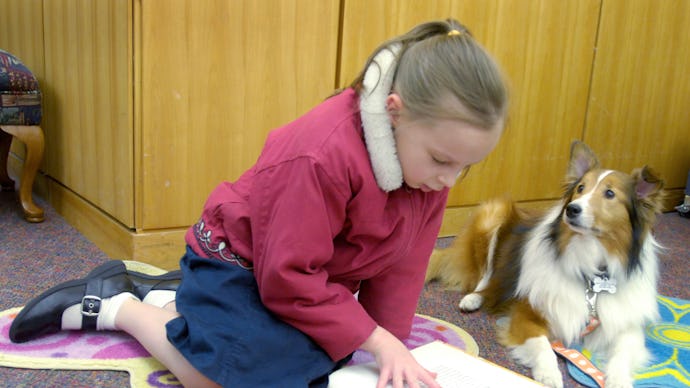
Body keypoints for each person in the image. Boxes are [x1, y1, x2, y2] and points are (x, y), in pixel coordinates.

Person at [10, 18, 508, 388]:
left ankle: (168, 295)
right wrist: (372, 339)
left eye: (465, 167)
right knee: (231, 378)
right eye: (443, 161)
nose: (449, 180)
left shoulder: (430, 171)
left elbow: (402, 267)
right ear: (394, 114)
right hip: (240, 263)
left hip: (307, 277)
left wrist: (387, 342)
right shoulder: (319, 154)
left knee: (327, 362)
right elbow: (286, 278)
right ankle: (122, 305)